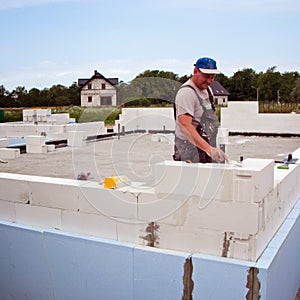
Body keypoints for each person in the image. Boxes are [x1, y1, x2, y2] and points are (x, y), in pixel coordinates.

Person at [173, 57, 227, 163]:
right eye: (206, 76)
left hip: (205, 145)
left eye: (212, 77)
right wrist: (209, 149)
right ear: (195, 71)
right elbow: (185, 126)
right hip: (188, 150)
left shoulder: (208, 90)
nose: (209, 81)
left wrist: (211, 148)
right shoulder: (187, 93)